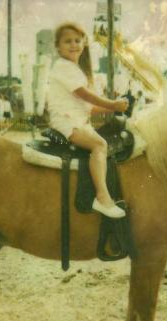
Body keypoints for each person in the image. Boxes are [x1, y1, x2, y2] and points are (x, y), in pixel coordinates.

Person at [47, 22, 128, 219]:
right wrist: (112, 104)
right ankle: (102, 197)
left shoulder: (74, 69)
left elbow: (89, 106)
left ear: (83, 43)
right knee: (100, 145)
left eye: (77, 40)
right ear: (58, 46)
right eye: (68, 41)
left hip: (78, 119)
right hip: (66, 121)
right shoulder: (63, 66)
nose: (74, 45)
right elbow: (84, 95)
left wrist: (115, 108)